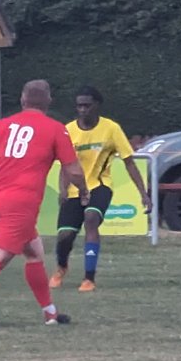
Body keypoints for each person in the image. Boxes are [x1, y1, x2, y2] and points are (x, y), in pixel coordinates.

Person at [0, 79, 88, 329]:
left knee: (34, 253)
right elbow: (73, 170)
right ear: (48, 102)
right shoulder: (56, 129)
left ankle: (51, 314)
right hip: (21, 204)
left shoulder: (4, 125)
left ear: (22, 101)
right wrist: (84, 191)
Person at [51, 86, 152, 292]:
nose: (83, 110)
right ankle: (62, 267)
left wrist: (144, 194)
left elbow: (129, 162)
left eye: (87, 105)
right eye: (79, 106)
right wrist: (63, 190)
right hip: (74, 190)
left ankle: (89, 278)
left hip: (99, 185)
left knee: (91, 219)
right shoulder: (68, 130)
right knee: (65, 236)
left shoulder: (111, 129)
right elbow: (65, 164)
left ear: (97, 106)